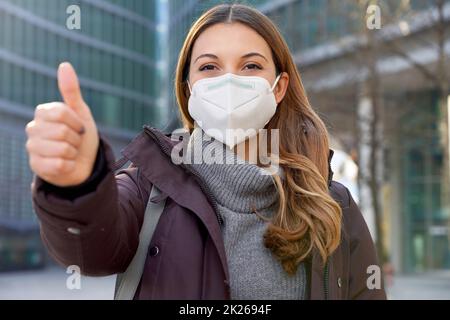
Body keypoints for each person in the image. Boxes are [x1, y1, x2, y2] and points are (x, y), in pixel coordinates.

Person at [25, 3, 386, 300]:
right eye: (209, 67)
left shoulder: (331, 205)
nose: (229, 81)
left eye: (251, 66)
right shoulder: (146, 190)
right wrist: (80, 184)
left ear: (279, 88)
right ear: (189, 90)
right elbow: (90, 251)